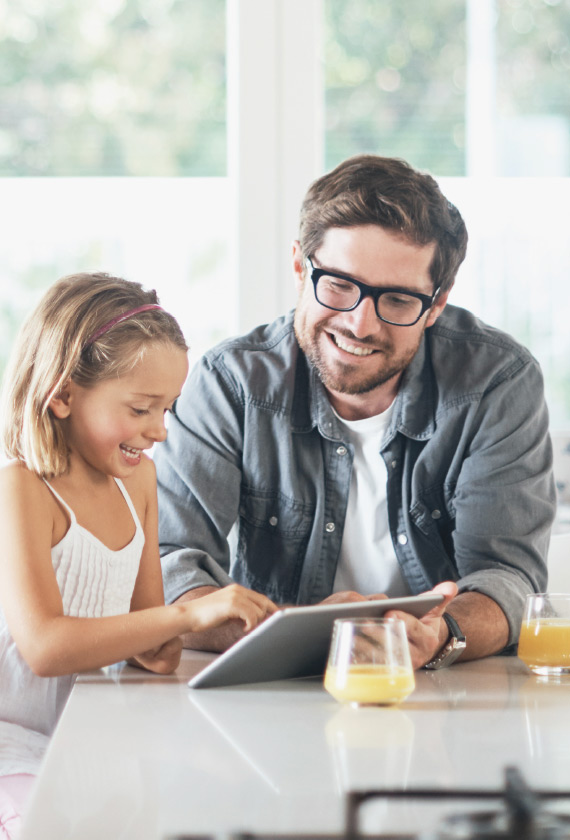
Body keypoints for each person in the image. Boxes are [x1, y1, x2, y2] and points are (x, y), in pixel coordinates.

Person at [155, 154, 555, 669]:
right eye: (339, 284)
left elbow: (507, 577)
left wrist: (441, 635)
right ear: (299, 267)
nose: (360, 325)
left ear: (436, 305)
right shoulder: (230, 383)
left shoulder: (497, 382)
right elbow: (172, 566)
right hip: (270, 685)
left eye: (398, 300)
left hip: (441, 686)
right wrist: (296, 632)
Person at [0, 273, 276, 837]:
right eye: (141, 408)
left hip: (90, 736)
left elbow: (155, 647)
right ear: (63, 395)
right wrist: (187, 614)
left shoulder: (139, 481)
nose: (160, 431)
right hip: (12, 747)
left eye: (167, 409)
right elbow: (46, 649)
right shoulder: (22, 488)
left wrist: (164, 640)